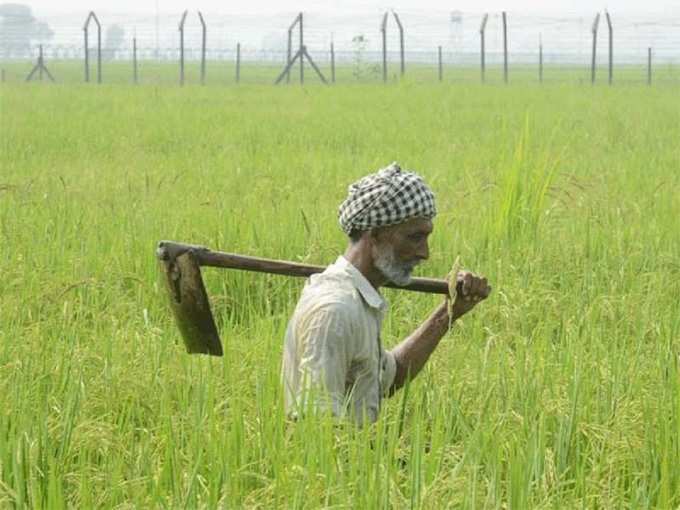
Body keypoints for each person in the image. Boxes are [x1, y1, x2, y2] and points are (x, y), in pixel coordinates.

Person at [282, 162, 491, 425]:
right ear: (376, 234)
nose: (424, 253)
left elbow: (389, 379)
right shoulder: (335, 311)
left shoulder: (358, 299)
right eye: (415, 237)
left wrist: (448, 312)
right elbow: (315, 427)